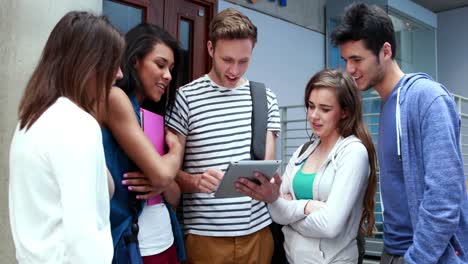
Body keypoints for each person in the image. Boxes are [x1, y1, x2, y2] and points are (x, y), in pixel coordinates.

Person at [331, 3, 468, 264]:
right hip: (393, 251)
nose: (349, 69)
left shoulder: (426, 98)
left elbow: (445, 197)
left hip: (424, 256)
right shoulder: (387, 105)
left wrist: (416, 258)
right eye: (346, 60)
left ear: (386, 51)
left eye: (357, 59)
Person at [166, 8, 281, 264]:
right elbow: (169, 172)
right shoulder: (185, 98)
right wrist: (195, 181)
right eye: (226, 59)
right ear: (210, 48)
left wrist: (271, 185)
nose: (234, 70)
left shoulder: (265, 98)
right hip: (204, 238)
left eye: (244, 61)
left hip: (258, 234)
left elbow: (267, 166)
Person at [9, 11, 124, 263]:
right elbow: (83, 240)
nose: (119, 74)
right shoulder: (76, 125)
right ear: (90, 66)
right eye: (113, 63)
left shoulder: (29, 120)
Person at [236, 69, 377, 263]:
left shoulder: (353, 152)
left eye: (325, 109)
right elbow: (276, 212)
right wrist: (309, 207)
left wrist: (290, 213)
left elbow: (330, 226)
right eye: (311, 106)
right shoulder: (303, 151)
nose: (314, 116)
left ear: (345, 111)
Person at [98, 24, 185, 264]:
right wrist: (175, 150)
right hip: (132, 245)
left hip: (165, 239)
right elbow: (160, 175)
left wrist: (162, 182)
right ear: (135, 61)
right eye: (160, 64)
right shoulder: (115, 99)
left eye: (171, 68)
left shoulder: (152, 118)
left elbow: (174, 194)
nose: (168, 75)